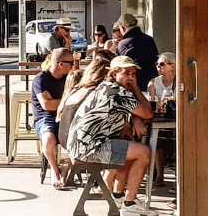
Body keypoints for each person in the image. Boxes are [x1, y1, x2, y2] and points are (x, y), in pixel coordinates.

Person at [67, 56, 157, 216]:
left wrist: (135, 118)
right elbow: (147, 112)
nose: (131, 78)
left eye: (134, 74)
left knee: (129, 147)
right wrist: (136, 88)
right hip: (89, 148)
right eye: (127, 73)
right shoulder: (117, 92)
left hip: (82, 146)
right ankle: (129, 204)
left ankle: (118, 196)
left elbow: (135, 114)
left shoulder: (106, 87)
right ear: (114, 74)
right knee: (143, 152)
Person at [31, 47, 73, 188]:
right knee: (48, 141)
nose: (73, 66)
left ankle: (66, 167)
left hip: (66, 117)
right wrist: (66, 99)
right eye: (71, 63)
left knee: (86, 137)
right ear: (61, 64)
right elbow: (47, 106)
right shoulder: (40, 79)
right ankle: (55, 171)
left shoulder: (70, 78)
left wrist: (57, 101)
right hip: (45, 118)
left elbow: (77, 101)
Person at [147, 52, 176, 187]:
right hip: (160, 118)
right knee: (158, 140)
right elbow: (152, 101)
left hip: (175, 117)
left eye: (162, 64)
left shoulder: (179, 81)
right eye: (157, 64)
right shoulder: (153, 82)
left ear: (173, 65)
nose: (159, 66)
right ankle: (159, 175)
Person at [116, 14, 159, 91]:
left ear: (122, 27)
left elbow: (119, 65)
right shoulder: (149, 39)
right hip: (152, 82)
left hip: (133, 84)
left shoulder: (123, 44)